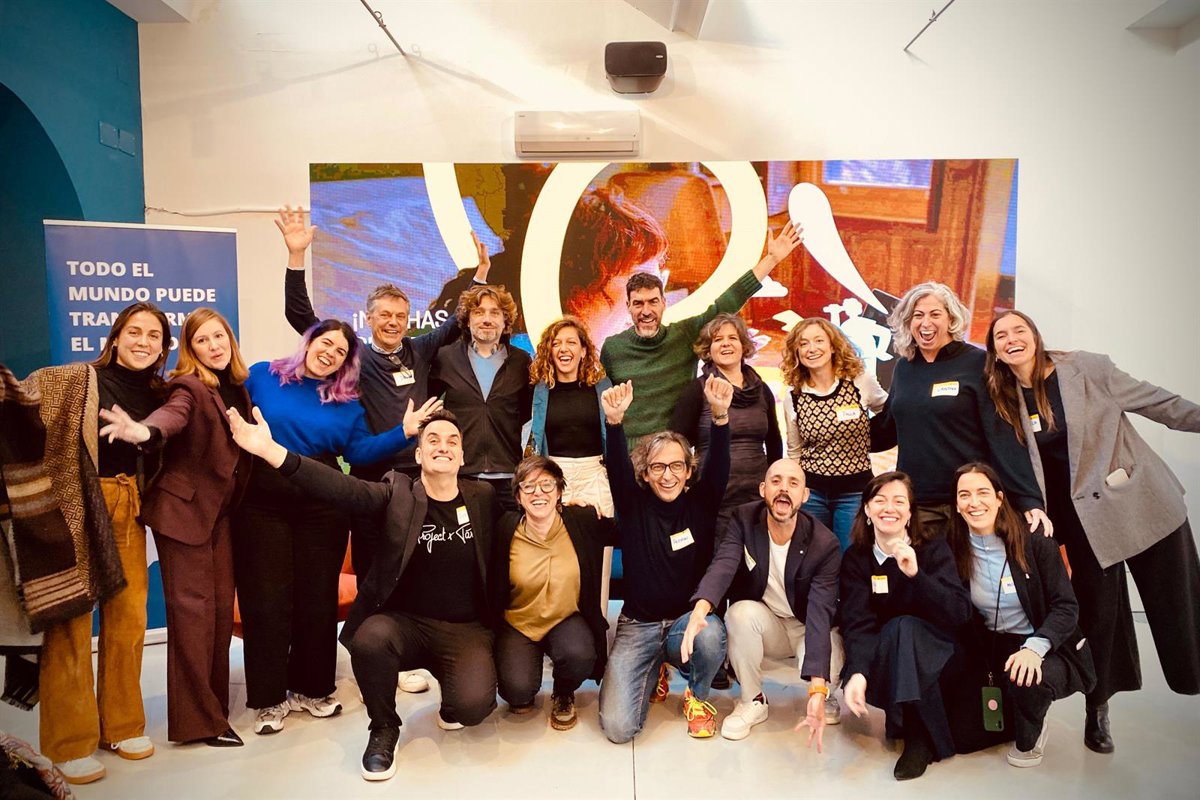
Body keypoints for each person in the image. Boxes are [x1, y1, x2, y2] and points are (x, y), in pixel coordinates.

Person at [277, 207, 490, 695]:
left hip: (420, 480)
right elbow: (301, 317)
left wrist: (479, 276)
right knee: (376, 570)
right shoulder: (353, 356)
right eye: (384, 316)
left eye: (400, 316)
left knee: (414, 567)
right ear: (369, 318)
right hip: (372, 479)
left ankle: (408, 651)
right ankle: (374, 654)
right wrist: (296, 257)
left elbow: (456, 321)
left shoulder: (420, 350)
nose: (393, 323)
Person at [226, 408, 502, 783]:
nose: (443, 446)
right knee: (370, 638)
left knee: (473, 709)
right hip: (406, 626)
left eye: (453, 441)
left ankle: (451, 696)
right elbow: (340, 487)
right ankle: (384, 727)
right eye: (433, 440)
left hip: (462, 629)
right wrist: (272, 452)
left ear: (462, 456)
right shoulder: (397, 494)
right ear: (419, 453)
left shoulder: (482, 498)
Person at [985, 309, 1200, 753]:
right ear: (995, 351)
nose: (1011, 339)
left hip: (1138, 502)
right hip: (1080, 525)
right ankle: (1097, 710)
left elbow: (1157, 402)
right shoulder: (1003, 399)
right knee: (1099, 620)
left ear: (1035, 335)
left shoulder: (1087, 368)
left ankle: (1193, 679)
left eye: (1018, 330)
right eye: (1000, 336)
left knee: (1181, 605)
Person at [234, 319, 437, 737]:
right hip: (262, 500)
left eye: (341, 351)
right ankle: (268, 699)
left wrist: (404, 432)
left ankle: (312, 689)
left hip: (321, 500)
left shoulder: (347, 402)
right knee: (266, 600)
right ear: (309, 342)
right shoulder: (261, 376)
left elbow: (358, 451)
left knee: (317, 599)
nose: (330, 353)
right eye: (325, 343)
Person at [25, 302, 171, 784]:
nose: (143, 341)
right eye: (135, 331)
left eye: (154, 335)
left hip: (129, 504)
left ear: (163, 347)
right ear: (115, 337)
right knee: (70, 622)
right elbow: (22, 402)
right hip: (76, 506)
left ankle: (122, 726)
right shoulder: (76, 378)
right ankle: (69, 742)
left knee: (129, 616)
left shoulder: (160, 393)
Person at [97, 308, 252, 748]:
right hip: (182, 515)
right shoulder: (189, 385)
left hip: (218, 515)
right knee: (193, 618)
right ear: (188, 349)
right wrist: (144, 432)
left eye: (218, 336)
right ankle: (198, 723)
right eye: (201, 340)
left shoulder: (235, 386)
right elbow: (173, 416)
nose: (213, 346)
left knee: (218, 615)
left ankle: (213, 709)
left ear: (230, 339)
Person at [597, 376, 732, 742]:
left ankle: (697, 697)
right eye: (657, 467)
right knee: (619, 728)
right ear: (645, 472)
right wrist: (614, 422)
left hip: (686, 624)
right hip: (637, 626)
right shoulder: (632, 504)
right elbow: (617, 469)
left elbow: (719, 468)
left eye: (676, 466)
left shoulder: (701, 504)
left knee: (711, 634)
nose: (667, 475)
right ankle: (655, 670)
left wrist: (720, 418)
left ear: (688, 471)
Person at [680, 459, 843, 747]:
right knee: (739, 614)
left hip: (808, 627)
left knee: (827, 659)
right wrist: (700, 610)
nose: (784, 489)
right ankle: (752, 700)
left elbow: (820, 612)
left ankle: (822, 696)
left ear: (805, 495)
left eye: (793, 483)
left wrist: (818, 688)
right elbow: (724, 564)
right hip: (771, 624)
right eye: (776, 481)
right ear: (762, 489)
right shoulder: (744, 519)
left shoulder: (824, 543)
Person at [944, 463, 1095, 767]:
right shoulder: (954, 546)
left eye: (983, 492)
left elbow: (1066, 607)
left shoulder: (1035, 541)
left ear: (999, 498)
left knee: (1026, 684)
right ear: (957, 505)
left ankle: (1033, 724)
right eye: (964, 495)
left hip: (1043, 646)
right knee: (963, 740)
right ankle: (1017, 711)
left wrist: (1034, 648)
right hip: (992, 648)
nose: (974, 502)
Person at [870, 282, 1050, 538]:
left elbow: (1003, 435)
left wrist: (1028, 499)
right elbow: (887, 429)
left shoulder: (979, 363)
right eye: (918, 315)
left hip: (970, 501)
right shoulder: (904, 368)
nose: (926, 323)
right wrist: (836, 425)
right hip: (919, 502)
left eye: (935, 314)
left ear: (951, 319)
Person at [599, 222, 803, 447]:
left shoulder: (683, 335)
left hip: (674, 453)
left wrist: (771, 259)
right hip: (629, 454)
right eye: (638, 303)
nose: (646, 311)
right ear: (628, 306)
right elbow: (601, 406)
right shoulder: (612, 348)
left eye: (653, 302)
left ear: (664, 303)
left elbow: (729, 301)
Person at [839, 471, 971, 781]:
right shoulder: (856, 559)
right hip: (887, 662)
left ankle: (916, 733)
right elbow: (858, 624)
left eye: (899, 501)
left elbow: (959, 612)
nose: (889, 508)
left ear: (910, 513)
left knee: (906, 627)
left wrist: (916, 575)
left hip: (941, 658)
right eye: (880, 500)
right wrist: (857, 672)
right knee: (900, 629)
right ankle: (913, 726)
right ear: (867, 510)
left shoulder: (933, 548)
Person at [495, 456, 618, 730]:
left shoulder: (582, 520)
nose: (538, 492)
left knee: (580, 656)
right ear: (518, 496)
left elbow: (629, 532)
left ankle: (563, 691)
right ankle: (525, 671)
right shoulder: (504, 529)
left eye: (547, 485)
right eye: (528, 486)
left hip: (565, 618)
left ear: (560, 491)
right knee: (517, 692)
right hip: (519, 622)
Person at [782, 316, 887, 551]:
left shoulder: (860, 381)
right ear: (796, 352)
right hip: (812, 494)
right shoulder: (793, 395)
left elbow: (889, 412)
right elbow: (794, 451)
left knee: (850, 556)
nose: (811, 348)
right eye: (803, 343)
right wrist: (796, 490)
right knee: (815, 556)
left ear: (832, 346)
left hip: (854, 493)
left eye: (819, 340)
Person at [672, 312, 782, 534]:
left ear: (744, 346)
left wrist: (776, 484)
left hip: (757, 496)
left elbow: (774, 442)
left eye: (732, 338)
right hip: (713, 498)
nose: (725, 344)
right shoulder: (696, 390)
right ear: (708, 350)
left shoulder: (762, 390)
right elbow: (676, 443)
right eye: (717, 339)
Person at [430, 284, 533, 513]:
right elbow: (428, 405)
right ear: (467, 320)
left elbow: (525, 413)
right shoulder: (446, 358)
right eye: (479, 312)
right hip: (460, 476)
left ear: (506, 322)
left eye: (495, 313)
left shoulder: (521, 362)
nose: (487, 319)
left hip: (509, 478)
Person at [527, 316, 613, 514]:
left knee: (601, 533)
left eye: (571, 342)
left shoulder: (602, 387)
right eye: (556, 343)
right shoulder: (539, 391)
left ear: (583, 351)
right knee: (558, 535)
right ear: (549, 352)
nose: (563, 349)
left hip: (595, 477)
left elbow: (614, 436)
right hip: (553, 477)